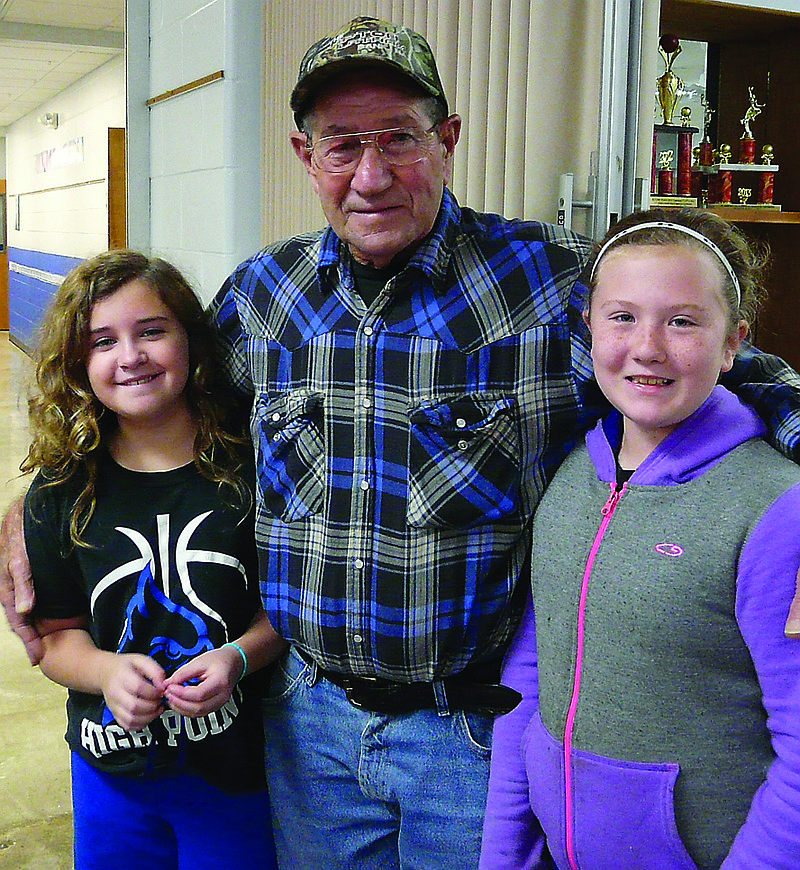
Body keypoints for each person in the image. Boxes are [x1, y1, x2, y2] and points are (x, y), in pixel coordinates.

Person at [3, 16, 800, 870]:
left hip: (468, 736)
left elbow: (735, 371)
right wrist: (34, 506)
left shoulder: (551, 282)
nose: (371, 176)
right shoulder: (263, 297)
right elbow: (154, 421)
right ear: (307, 156)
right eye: (342, 146)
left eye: (399, 140)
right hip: (307, 728)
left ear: (448, 140)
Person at [480, 209, 800, 869]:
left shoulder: (775, 507)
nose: (648, 347)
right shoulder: (568, 474)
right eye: (622, 317)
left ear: (734, 341)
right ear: (589, 328)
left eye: (682, 321)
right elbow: (530, 679)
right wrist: (503, 854)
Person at [20, 250, 284, 870]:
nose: (130, 356)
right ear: (78, 365)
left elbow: (288, 610)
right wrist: (106, 674)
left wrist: (237, 657)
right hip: (112, 774)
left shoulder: (251, 467)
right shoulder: (62, 490)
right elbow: (58, 640)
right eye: (102, 341)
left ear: (190, 339)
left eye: (152, 331)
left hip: (236, 774)